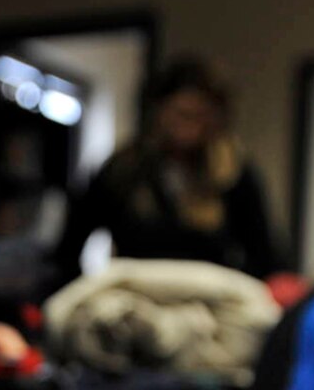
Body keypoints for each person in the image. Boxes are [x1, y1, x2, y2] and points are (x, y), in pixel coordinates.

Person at [54, 56, 288, 284]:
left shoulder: (233, 172)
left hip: (211, 304)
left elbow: (265, 255)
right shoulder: (122, 170)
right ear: (157, 111)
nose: (188, 123)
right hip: (135, 298)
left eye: (198, 114)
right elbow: (68, 249)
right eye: (180, 112)